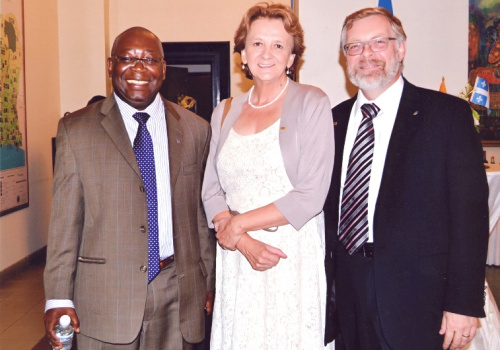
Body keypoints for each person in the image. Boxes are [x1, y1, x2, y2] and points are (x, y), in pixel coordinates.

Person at [324, 7, 489, 350]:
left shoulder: (447, 116)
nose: (366, 54)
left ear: (401, 49)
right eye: (354, 47)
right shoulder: (331, 122)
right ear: (345, 58)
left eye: (378, 42)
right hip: (346, 293)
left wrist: (462, 303)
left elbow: (470, 219)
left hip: (419, 299)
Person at [43, 27, 215, 350]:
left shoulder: (195, 130)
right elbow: (65, 223)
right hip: (106, 300)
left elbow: (200, 216)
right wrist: (57, 297)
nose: (139, 68)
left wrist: (209, 280)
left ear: (163, 69)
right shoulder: (76, 130)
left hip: (177, 296)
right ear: (110, 66)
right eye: (127, 59)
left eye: (149, 59)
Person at [202, 3, 335, 349]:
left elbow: (311, 194)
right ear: (243, 52)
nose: (267, 54)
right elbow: (211, 191)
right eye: (257, 43)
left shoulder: (313, 103)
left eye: (279, 46)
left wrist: (239, 224)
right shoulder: (225, 111)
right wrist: (241, 239)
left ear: (292, 58)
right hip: (237, 257)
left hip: (289, 255)